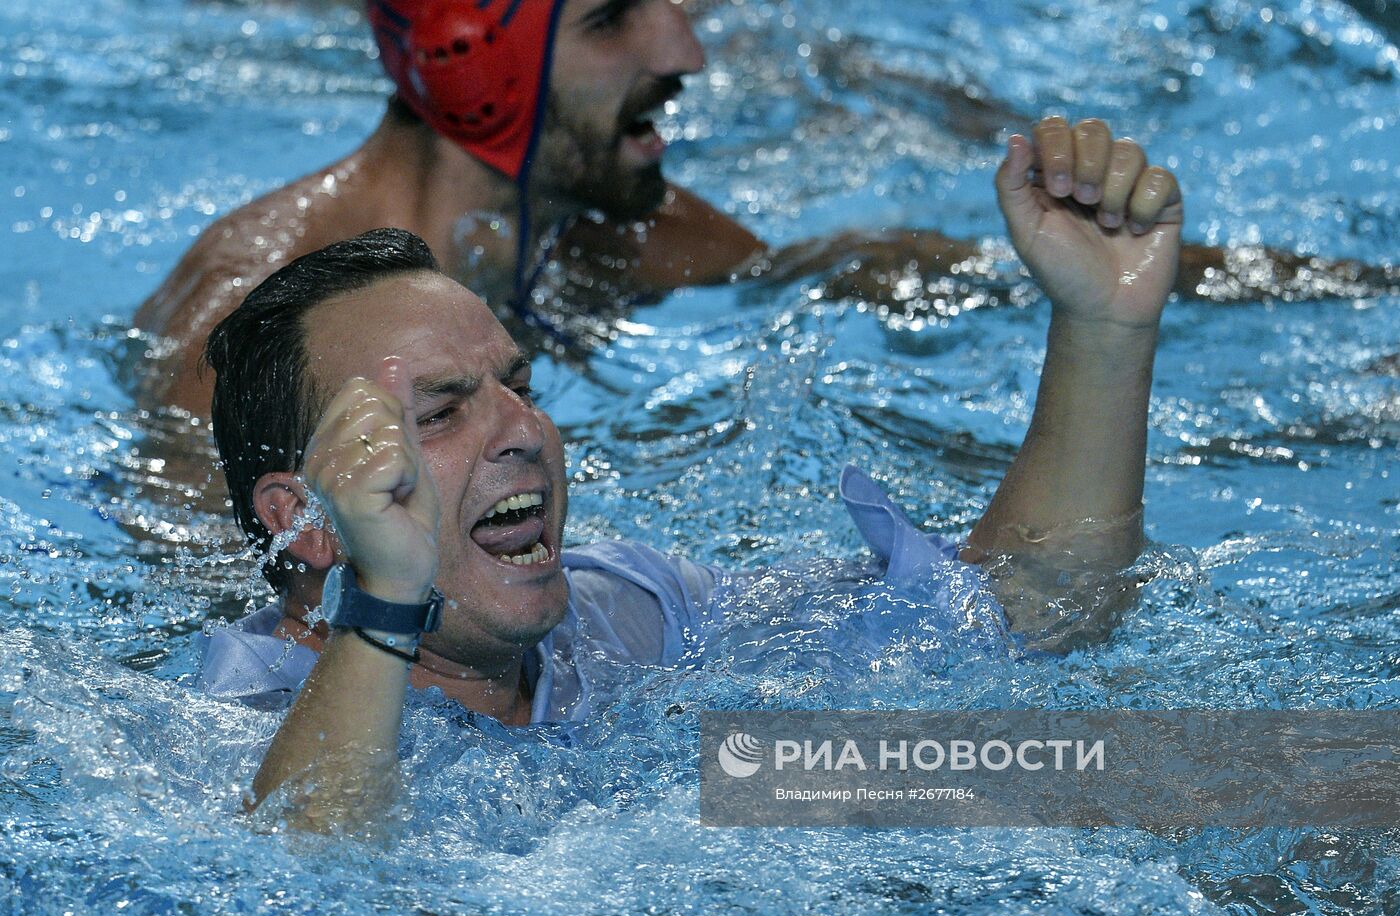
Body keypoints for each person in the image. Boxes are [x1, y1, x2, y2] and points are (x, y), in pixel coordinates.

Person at [200, 117, 1179, 828]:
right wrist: (386, 598)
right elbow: (307, 874)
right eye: (443, 409)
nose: (524, 428)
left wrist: (1102, 326)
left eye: (519, 384)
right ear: (310, 519)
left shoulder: (625, 612)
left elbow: (1019, 616)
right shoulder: (238, 706)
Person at [134, 0, 1391, 418]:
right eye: (616, 13)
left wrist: (1344, 294)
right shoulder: (254, 323)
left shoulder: (609, 233)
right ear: (474, 53)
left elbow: (884, 270)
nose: (686, 42)